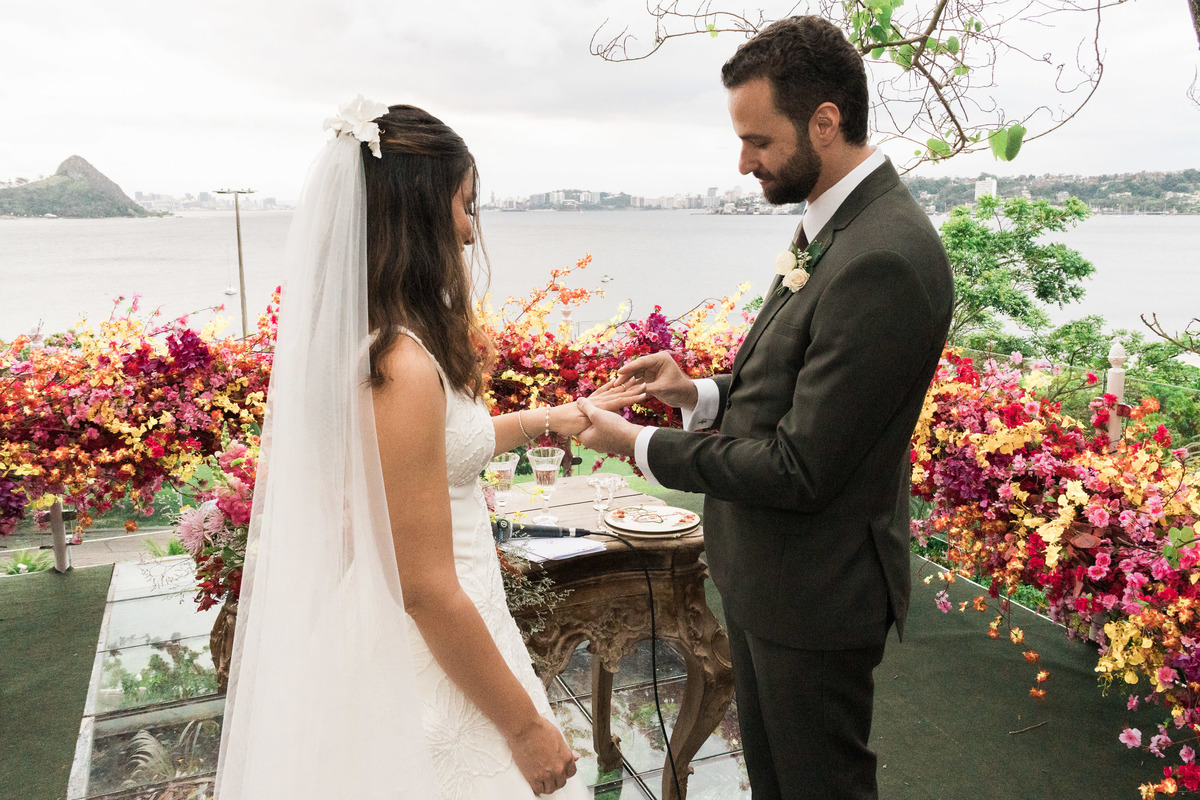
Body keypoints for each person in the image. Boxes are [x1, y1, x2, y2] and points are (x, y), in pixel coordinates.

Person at [214, 98, 642, 799]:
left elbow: (434, 458)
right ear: (419, 213)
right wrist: (525, 728)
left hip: (457, 624)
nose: (472, 231)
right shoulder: (401, 367)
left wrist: (550, 419)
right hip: (432, 648)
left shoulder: (394, 342)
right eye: (466, 205)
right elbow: (424, 588)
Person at [575, 17, 954, 800]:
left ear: (826, 121)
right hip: (770, 578)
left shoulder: (882, 254)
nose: (743, 161)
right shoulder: (835, 228)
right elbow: (794, 387)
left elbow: (802, 465)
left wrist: (638, 443)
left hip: (817, 594)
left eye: (759, 140)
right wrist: (698, 393)